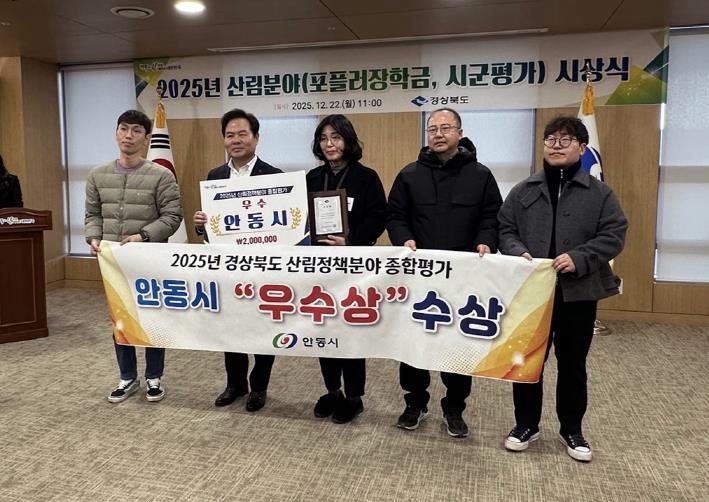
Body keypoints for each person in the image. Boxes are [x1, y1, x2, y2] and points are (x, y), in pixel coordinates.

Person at [498, 116, 627, 462]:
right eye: (550, 139)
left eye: (565, 140)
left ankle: (572, 429)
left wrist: (580, 257)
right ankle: (526, 425)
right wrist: (516, 251)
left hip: (578, 292)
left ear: (582, 148)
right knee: (526, 361)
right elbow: (505, 228)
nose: (556, 145)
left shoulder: (600, 193)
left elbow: (614, 234)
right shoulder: (524, 189)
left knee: (573, 363)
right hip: (531, 293)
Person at [387, 108, 502, 438]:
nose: (438, 134)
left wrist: (485, 242)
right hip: (419, 276)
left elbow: (492, 217)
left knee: (458, 342)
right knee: (414, 342)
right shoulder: (410, 174)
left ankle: (454, 406)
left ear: (460, 133)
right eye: (432, 129)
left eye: (445, 128)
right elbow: (395, 216)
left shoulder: (480, 175)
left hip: (464, 277)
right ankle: (415, 402)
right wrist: (403, 239)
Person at [85, 110, 182, 403]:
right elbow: (93, 214)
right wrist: (93, 237)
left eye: (136, 130)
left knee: (153, 317)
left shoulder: (161, 175)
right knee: (120, 319)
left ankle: (154, 377)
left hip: (149, 259)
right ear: (116, 133)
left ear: (147, 138)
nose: (129, 135)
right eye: (124, 129)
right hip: (114, 262)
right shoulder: (97, 174)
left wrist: (143, 236)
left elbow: (173, 216)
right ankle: (127, 377)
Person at [193, 108, 282, 413]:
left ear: (256, 138)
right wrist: (201, 224)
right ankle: (235, 384)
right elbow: (211, 229)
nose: (236, 140)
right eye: (230, 135)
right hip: (228, 268)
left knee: (263, 328)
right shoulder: (215, 177)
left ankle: (259, 387)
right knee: (230, 326)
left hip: (263, 269)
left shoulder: (275, 176)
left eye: (242, 133)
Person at [306, 114, 387, 424]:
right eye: (324, 138)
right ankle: (333, 391)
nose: (329, 144)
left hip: (353, 266)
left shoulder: (367, 178)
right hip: (318, 267)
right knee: (324, 328)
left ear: (348, 141)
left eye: (336, 137)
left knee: (350, 330)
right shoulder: (312, 178)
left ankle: (354, 396)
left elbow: (378, 218)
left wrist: (350, 240)